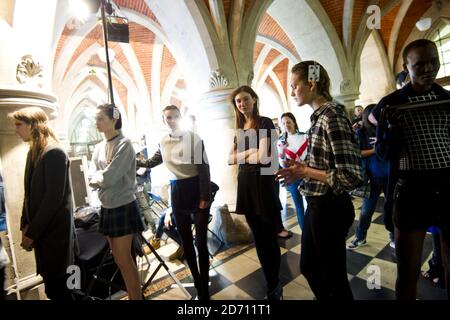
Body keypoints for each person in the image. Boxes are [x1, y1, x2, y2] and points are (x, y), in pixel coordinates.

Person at [276, 61, 362, 300]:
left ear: (311, 84)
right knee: (310, 267)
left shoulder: (331, 116)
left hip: (330, 207)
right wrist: (301, 171)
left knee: (333, 277)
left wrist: (305, 171)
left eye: (294, 86)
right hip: (317, 204)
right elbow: (326, 165)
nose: (292, 93)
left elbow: (350, 175)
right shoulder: (319, 117)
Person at [374, 39, 450, 299]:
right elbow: (384, 154)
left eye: (433, 62)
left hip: (447, 186)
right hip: (412, 190)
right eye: (420, 64)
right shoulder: (392, 103)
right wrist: (392, 131)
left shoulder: (445, 99)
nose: (429, 69)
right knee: (408, 271)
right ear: (407, 67)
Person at [137, 105, 211, 300]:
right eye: (168, 117)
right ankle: (197, 283)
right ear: (164, 121)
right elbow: (151, 162)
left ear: (181, 117)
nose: (172, 120)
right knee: (187, 244)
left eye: (175, 116)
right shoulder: (163, 142)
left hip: (196, 188)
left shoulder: (194, 138)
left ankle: (205, 283)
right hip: (177, 191)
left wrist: (204, 198)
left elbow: (204, 169)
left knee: (201, 242)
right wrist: (133, 159)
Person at [9, 107, 76, 300]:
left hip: (58, 238)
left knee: (66, 290)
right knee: (53, 289)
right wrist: (24, 225)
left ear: (33, 125)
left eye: (19, 124)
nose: (16, 130)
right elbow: (29, 194)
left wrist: (32, 232)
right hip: (45, 236)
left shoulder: (55, 152)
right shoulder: (34, 152)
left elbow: (53, 200)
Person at [228, 85, 283, 300]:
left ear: (254, 99)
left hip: (262, 184)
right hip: (246, 185)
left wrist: (246, 153)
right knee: (258, 237)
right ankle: (270, 279)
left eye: (245, 99)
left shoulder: (264, 122)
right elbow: (229, 158)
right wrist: (251, 152)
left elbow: (263, 158)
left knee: (268, 236)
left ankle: (275, 283)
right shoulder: (240, 128)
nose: (242, 104)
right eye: (238, 101)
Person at [89, 103, 145, 300]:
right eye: (96, 119)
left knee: (124, 258)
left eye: (100, 118)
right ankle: (133, 295)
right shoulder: (98, 147)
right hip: (107, 206)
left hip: (123, 204)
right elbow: (92, 175)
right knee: (118, 258)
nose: (96, 122)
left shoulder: (124, 144)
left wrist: (100, 177)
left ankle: (136, 298)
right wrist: (100, 177)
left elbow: (109, 177)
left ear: (114, 119)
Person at [347, 104, 391, 250]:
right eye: (374, 114)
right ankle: (360, 237)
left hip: (389, 176)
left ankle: (394, 238)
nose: (378, 117)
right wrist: (375, 149)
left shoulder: (387, 129)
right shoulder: (361, 133)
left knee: (391, 208)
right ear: (367, 116)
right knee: (367, 210)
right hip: (372, 178)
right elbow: (357, 153)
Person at [277, 112, 308, 230]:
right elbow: (283, 164)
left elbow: (311, 155)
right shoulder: (281, 141)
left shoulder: (305, 136)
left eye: (288, 122)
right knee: (299, 207)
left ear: (294, 122)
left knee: (312, 205)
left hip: (307, 173)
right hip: (292, 176)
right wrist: (282, 152)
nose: (286, 125)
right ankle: (306, 235)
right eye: (283, 123)